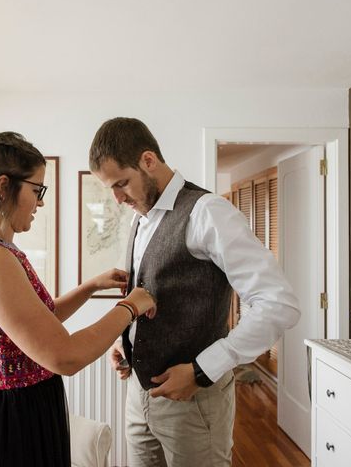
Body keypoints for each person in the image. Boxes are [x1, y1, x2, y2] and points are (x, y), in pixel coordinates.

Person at [0, 132, 156, 467]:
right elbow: (64, 356)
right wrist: (132, 306)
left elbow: (34, 324)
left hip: (14, 409)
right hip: (3, 423)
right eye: (37, 190)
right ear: (5, 186)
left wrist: (90, 286)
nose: (41, 202)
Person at [88, 117, 300, 467]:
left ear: (148, 161)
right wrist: (127, 342)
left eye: (121, 184)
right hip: (137, 397)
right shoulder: (139, 218)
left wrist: (203, 370)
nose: (117, 198)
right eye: (110, 188)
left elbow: (279, 304)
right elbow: (154, 292)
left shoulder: (208, 212)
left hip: (195, 404)